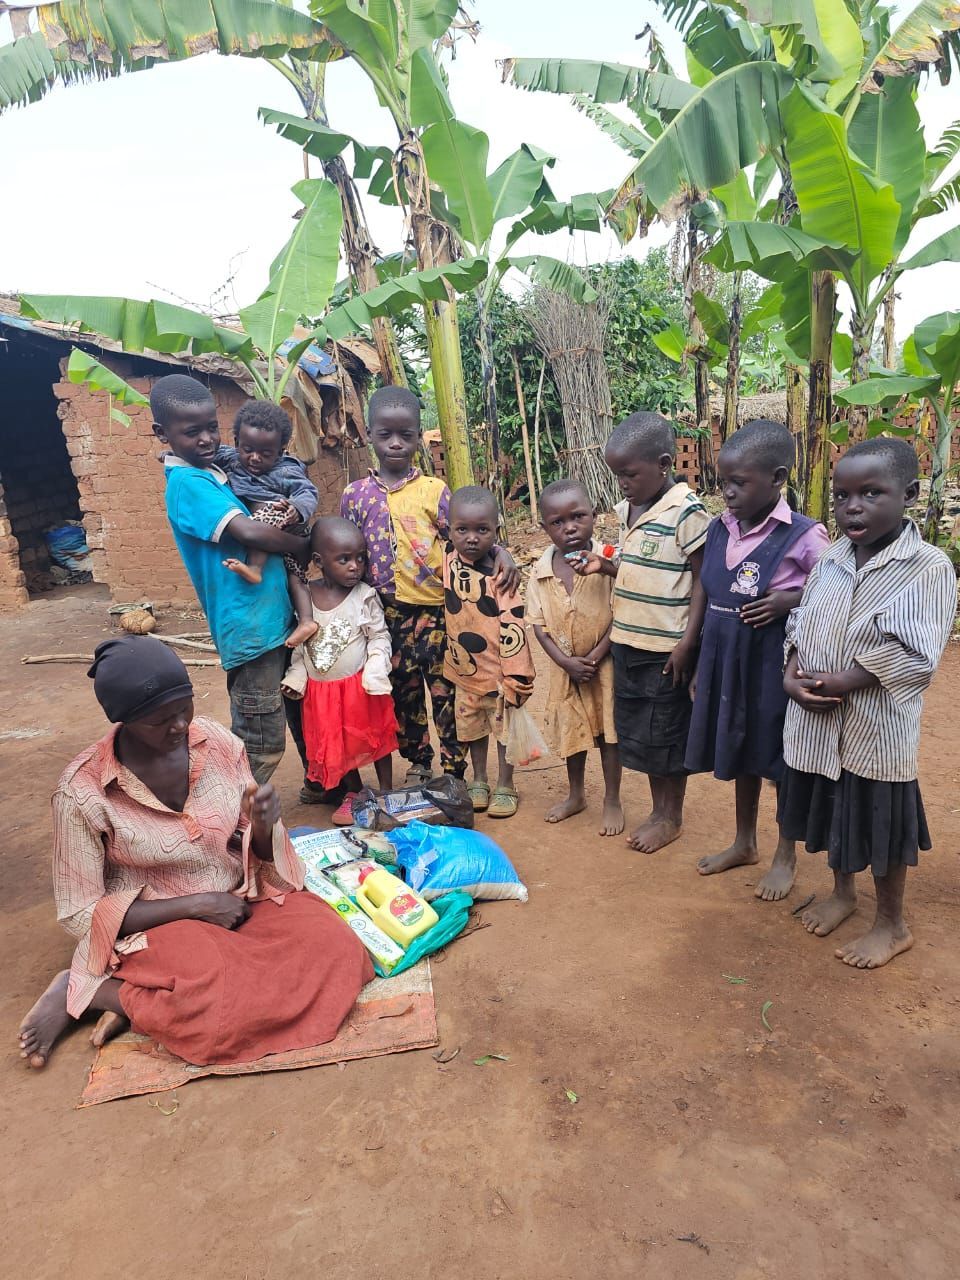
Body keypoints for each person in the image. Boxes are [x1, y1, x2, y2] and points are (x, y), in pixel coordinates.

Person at [18, 636, 373, 1070]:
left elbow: (260, 853)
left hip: (240, 901)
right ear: (124, 721)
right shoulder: (83, 791)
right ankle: (92, 990)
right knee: (220, 1003)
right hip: (159, 922)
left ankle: (140, 999)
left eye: (184, 707)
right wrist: (198, 905)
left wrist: (262, 825)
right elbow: (79, 913)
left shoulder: (218, 743)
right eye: (159, 720)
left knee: (336, 947)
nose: (180, 725)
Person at [776, 437, 955, 968]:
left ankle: (891, 924)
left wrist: (845, 680)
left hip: (875, 730)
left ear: (910, 494)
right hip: (813, 721)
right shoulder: (832, 556)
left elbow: (916, 653)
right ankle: (842, 894)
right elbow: (800, 620)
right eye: (842, 495)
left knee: (878, 824)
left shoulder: (927, 567)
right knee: (834, 813)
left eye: (871, 493)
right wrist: (792, 676)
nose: (852, 506)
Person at [340, 386, 518, 784]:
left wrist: (502, 552)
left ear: (419, 436)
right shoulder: (355, 495)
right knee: (403, 695)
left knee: (446, 692)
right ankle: (419, 763)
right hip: (385, 616)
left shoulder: (434, 492)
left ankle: (454, 768)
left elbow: (466, 536)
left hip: (439, 612)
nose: (396, 444)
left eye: (406, 435)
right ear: (369, 435)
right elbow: (346, 550)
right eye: (386, 435)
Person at [684, 420, 829, 900]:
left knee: (778, 756)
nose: (727, 492)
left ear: (778, 478)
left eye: (739, 483)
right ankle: (744, 841)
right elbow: (706, 591)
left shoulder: (806, 535)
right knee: (739, 746)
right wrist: (700, 659)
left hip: (773, 663)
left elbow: (836, 586)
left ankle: (785, 853)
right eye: (723, 481)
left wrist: (791, 599)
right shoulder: (719, 526)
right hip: (725, 657)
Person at [152, 374, 305, 783]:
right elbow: (250, 533)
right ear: (161, 433)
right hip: (249, 630)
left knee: (297, 712)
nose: (205, 439)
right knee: (260, 741)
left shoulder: (215, 470)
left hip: (272, 621)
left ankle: (316, 789)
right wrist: (303, 546)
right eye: (191, 432)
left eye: (210, 428)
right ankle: (232, 827)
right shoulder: (189, 484)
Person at [575, 412, 710, 852]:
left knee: (667, 737)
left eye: (629, 474)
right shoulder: (631, 509)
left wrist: (689, 643)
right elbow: (643, 569)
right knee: (643, 736)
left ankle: (671, 816)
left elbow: (703, 579)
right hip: (628, 643)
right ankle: (658, 811)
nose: (622, 483)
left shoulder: (686, 513)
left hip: (665, 649)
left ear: (664, 463)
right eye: (617, 475)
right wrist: (606, 565)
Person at [281, 517, 398, 826]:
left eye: (360, 558)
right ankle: (355, 791)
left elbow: (379, 635)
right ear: (319, 561)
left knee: (376, 738)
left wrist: (376, 667)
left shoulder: (364, 596)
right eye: (343, 559)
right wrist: (297, 675)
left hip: (361, 689)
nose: (354, 566)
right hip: (322, 695)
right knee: (339, 745)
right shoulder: (305, 597)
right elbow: (301, 645)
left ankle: (386, 791)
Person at [525, 479, 623, 836]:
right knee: (572, 732)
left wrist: (596, 656)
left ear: (593, 515)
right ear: (545, 528)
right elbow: (538, 626)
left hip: (605, 665)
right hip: (565, 669)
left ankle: (612, 798)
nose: (569, 527)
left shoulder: (610, 558)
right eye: (557, 522)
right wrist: (565, 662)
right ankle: (576, 794)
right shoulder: (540, 571)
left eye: (578, 516)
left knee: (609, 734)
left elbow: (622, 612)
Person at [443, 486, 535, 819]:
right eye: (462, 529)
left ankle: (506, 784)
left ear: (496, 531)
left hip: (499, 675)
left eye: (482, 530)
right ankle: (479, 779)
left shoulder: (502, 576)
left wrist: (516, 675)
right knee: (473, 730)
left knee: (503, 732)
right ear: (449, 528)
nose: (471, 538)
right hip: (464, 673)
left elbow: (515, 625)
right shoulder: (447, 558)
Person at [217, 400, 320, 649]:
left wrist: (296, 509)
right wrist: (173, 454)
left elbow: (308, 492)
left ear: (281, 450)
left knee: (265, 514)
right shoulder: (231, 458)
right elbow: (206, 452)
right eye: (247, 449)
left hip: (285, 521)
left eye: (266, 454)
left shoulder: (287, 470)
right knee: (295, 577)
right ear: (236, 442)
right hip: (273, 534)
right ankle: (306, 621)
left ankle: (255, 568)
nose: (254, 458)